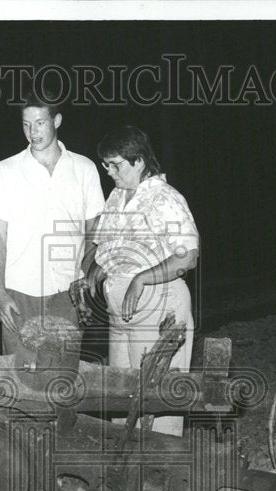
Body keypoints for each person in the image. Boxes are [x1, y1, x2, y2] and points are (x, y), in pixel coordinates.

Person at [83, 125, 199, 437]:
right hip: (121, 315)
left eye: (116, 164)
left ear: (140, 161)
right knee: (123, 396)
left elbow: (187, 256)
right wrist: (96, 271)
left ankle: (161, 474)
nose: (109, 172)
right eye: (105, 165)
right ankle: (128, 476)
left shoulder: (165, 199)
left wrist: (142, 279)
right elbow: (108, 248)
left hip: (159, 307)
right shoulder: (117, 197)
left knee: (157, 398)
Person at [0, 92, 105, 356]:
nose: (32, 132)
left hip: (68, 290)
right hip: (20, 290)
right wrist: (0, 292)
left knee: (63, 372)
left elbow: (93, 227)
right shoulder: (6, 170)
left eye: (39, 123)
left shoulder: (84, 168)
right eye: (26, 124)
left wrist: (87, 276)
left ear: (57, 120)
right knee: (19, 375)